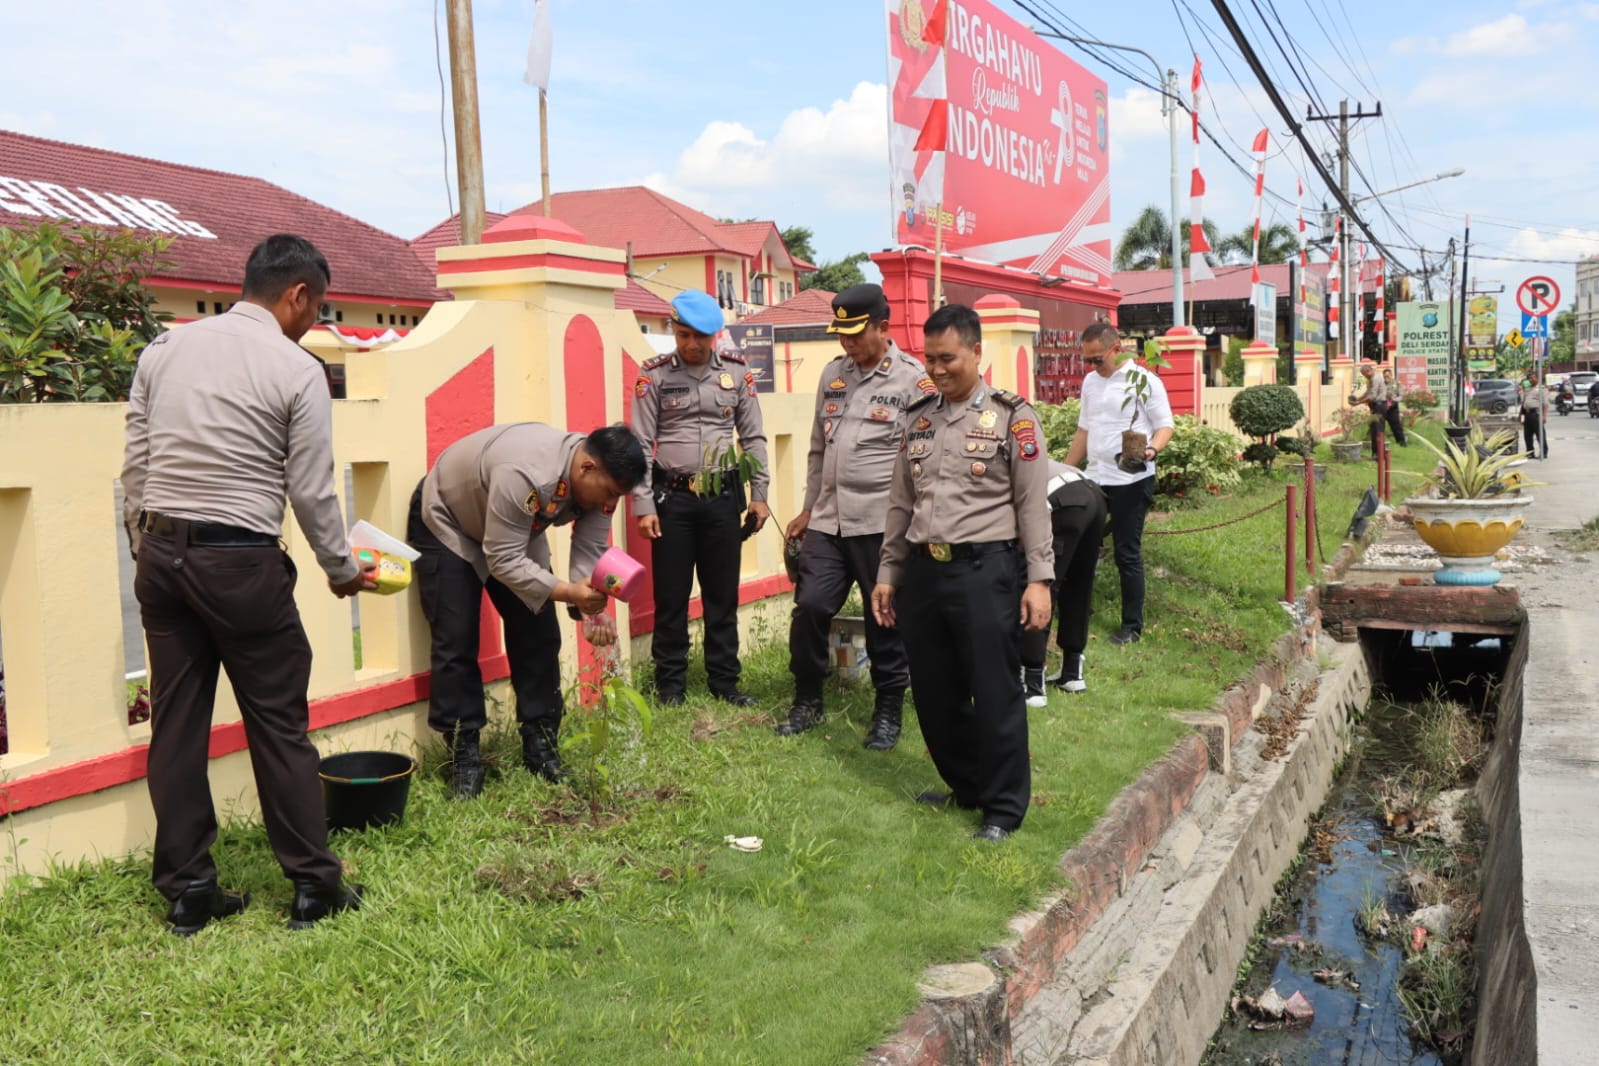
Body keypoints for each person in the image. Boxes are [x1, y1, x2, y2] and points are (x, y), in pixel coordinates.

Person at [121, 234, 372, 935]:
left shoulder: (164, 350)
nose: (311, 322)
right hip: (239, 562)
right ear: (297, 295)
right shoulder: (295, 368)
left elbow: (135, 462)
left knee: (175, 724)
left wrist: (145, 546)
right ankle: (313, 886)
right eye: (314, 309)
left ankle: (188, 889)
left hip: (161, 555)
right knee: (278, 724)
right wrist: (340, 569)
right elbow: (312, 490)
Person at [871, 304, 1053, 842]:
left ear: (977, 352)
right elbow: (900, 502)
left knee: (994, 690)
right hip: (925, 572)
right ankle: (966, 785)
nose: (937, 369)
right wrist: (889, 571)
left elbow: (1032, 506)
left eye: (947, 357)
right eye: (929, 359)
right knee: (934, 690)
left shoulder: (1013, 417)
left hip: (985, 570)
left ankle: (1002, 808)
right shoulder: (918, 415)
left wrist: (1039, 579)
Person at [409, 423, 647, 798]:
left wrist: (591, 608)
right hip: (450, 521)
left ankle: (541, 744)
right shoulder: (526, 473)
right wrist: (568, 591)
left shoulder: (601, 483)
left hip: (516, 531)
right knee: (456, 639)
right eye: (610, 493)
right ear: (586, 468)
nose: (611, 502)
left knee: (538, 634)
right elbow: (502, 560)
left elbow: (589, 545)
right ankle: (464, 755)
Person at [777, 284, 929, 748]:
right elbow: (818, 447)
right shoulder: (832, 375)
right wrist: (806, 509)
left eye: (855, 333)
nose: (847, 343)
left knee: (883, 615)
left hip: (882, 522)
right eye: (841, 334)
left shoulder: (912, 380)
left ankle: (887, 711)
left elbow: (922, 458)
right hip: (828, 519)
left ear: (883, 327)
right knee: (811, 606)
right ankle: (807, 698)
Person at [632, 290, 770, 706]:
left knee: (721, 595)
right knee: (671, 597)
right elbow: (639, 444)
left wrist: (759, 494)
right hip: (671, 499)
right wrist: (643, 505)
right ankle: (670, 685)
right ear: (673, 330)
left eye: (700, 337)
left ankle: (725, 682)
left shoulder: (737, 373)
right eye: (683, 334)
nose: (691, 345)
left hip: (723, 497)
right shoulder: (653, 375)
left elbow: (754, 437)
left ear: (716, 335)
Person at [1063, 322, 1174, 645]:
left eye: (1098, 359)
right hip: (1095, 477)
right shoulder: (1090, 383)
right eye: (1087, 360)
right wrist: (1066, 471)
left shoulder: (1144, 380)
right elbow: (1084, 430)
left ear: (1116, 348)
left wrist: (1152, 448)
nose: (1093, 366)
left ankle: (1131, 627)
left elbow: (1165, 425)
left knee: (1126, 552)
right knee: (1081, 545)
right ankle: (1077, 612)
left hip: (1131, 478)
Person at [1020, 460, 1107, 706]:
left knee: (1042, 584)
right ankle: (1072, 672)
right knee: (1079, 583)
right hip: (1094, 497)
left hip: (1062, 501)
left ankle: (1032, 682)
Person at [1351, 361, 1391, 455]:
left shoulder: (1376, 379)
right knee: (1373, 430)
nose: (1365, 377)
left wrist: (1358, 403)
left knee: (1378, 430)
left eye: (1365, 374)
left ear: (1369, 370)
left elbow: (1372, 396)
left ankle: (1379, 454)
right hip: (1375, 406)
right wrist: (1357, 399)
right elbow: (1367, 392)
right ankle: (1375, 453)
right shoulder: (1371, 379)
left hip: (1380, 406)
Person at [1520, 372, 1547, 458]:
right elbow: (1524, 403)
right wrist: (1520, 415)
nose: (1531, 380)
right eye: (1529, 378)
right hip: (1527, 414)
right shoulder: (1527, 389)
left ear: (1537, 378)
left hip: (1536, 414)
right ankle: (1530, 453)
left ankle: (1543, 452)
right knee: (1527, 435)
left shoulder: (1541, 389)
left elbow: (1545, 404)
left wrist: (1544, 416)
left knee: (1540, 435)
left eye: (1533, 378)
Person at [1380, 367, 1409, 446]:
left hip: (1393, 405)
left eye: (1388, 376)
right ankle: (1380, 443)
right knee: (1379, 425)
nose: (1386, 378)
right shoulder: (1381, 384)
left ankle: (1401, 442)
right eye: (1385, 376)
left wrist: (1393, 401)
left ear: (1391, 375)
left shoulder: (1396, 383)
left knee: (1396, 425)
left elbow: (1401, 395)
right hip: (1383, 405)